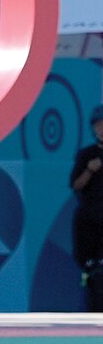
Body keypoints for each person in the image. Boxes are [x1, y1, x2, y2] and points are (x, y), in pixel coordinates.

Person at [70, 104, 103, 312]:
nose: (101, 129)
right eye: (98, 125)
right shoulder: (87, 154)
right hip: (91, 221)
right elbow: (75, 185)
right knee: (95, 273)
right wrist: (90, 171)